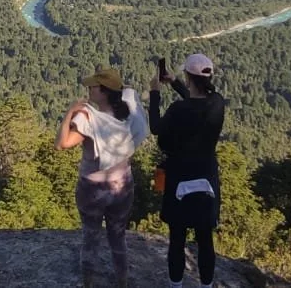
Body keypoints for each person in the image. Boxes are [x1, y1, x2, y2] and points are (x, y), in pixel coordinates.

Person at [57, 67, 148, 288]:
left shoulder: (88, 118)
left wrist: (70, 112)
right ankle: (122, 282)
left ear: (104, 91)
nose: (88, 89)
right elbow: (129, 95)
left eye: (93, 86)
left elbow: (61, 144)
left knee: (90, 238)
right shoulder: (129, 112)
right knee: (118, 237)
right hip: (122, 186)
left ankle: (88, 283)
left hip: (92, 189)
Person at [149, 53, 226, 288]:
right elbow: (196, 103)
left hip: (179, 177)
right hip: (207, 177)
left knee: (177, 238)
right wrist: (173, 82)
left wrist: (154, 92)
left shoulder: (177, 110)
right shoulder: (217, 102)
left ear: (188, 76)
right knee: (205, 238)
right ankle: (206, 285)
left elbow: (156, 128)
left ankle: (176, 285)